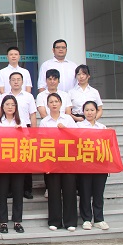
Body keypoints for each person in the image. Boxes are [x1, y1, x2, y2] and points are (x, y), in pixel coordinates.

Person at [39, 93, 78, 232]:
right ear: (47, 105)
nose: (54, 104)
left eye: (56, 101)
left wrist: (65, 130)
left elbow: (77, 137)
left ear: (61, 103)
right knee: (53, 191)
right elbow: (41, 142)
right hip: (51, 160)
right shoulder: (44, 122)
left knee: (69, 190)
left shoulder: (68, 119)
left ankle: (70, 221)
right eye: (51, 102)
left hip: (67, 159)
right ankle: (55, 221)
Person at [0, 95, 25, 234]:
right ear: (2, 107)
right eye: (7, 104)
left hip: (18, 162)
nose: (10, 107)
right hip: (2, 162)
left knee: (18, 192)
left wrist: (21, 131)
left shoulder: (21, 121)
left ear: (16, 107)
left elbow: (27, 141)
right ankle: (3, 222)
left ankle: (17, 221)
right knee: (2, 192)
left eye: (12, 104)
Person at [2, 71, 37, 199]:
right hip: (8, 131)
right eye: (13, 79)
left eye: (18, 79)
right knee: (9, 161)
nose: (16, 82)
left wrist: (33, 133)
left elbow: (33, 115)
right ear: (9, 82)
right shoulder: (4, 96)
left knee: (25, 160)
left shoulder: (28, 96)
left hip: (24, 130)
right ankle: (10, 189)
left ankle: (27, 190)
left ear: (22, 82)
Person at [78, 100, 110, 230]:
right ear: (83, 112)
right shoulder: (78, 126)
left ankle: (99, 219)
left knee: (98, 193)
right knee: (85, 192)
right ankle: (86, 219)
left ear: (97, 112)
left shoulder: (102, 127)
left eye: (92, 110)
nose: (89, 112)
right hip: (84, 165)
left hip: (99, 165)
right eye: (87, 110)